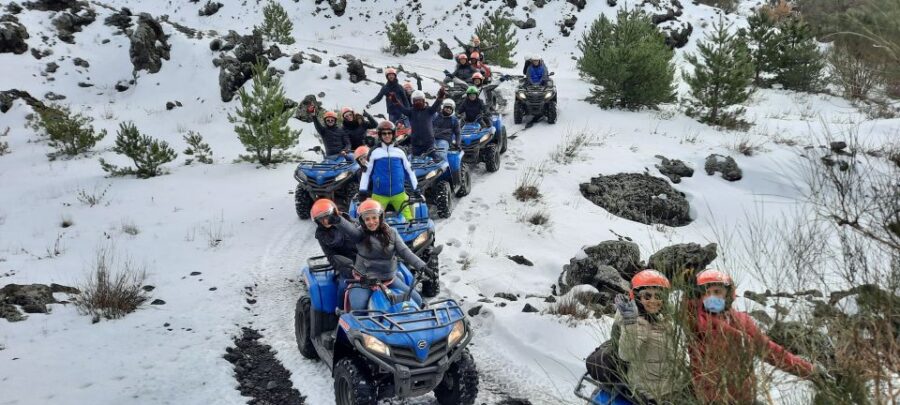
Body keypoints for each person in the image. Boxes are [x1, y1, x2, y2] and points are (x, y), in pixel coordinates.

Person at [687, 269, 819, 404]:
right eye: (706, 293)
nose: (711, 297)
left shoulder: (742, 321)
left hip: (745, 398)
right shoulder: (696, 320)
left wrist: (810, 371)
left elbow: (772, 351)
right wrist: (686, 287)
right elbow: (685, 309)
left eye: (717, 292)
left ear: (727, 294)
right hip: (712, 400)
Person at [333, 198, 428, 310]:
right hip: (364, 281)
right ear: (362, 221)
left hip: (388, 279)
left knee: (417, 299)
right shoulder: (359, 234)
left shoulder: (392, 233)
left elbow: (405, 252)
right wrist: (338, 220)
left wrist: (422, 266)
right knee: (358, 307)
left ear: (380, 217)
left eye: (374, 217)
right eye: (367, 219)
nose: (371, 222)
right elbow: (350, 230)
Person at [614, 270, 690, 404]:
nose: (653, 301)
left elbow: (679, 359)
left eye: (658, 296)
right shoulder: (632, 322)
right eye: (647, 296)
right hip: (648, 394)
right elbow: (626, 354)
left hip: (673, 391)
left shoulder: (665, 321)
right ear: (637, 298)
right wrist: (630, 323)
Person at [358, 121, 421, 221]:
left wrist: (416, 188)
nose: (387, 136)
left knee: (409, 221)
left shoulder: (400, 151)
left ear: (393, 134)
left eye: (389, 133)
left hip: (399, 194)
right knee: (375, 222)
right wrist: (362, 191)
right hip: (379, 195)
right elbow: (366, 172)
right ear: (380, 135)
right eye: (384, 133)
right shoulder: (374, 152)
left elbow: (410, 171)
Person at [390, 88, 447, 158]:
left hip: (429, 143)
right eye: (416, 100)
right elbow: (402, 109)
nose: (418, 102)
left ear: (424, 100)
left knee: (435, 159)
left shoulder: (429, 110)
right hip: (416, 144)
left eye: (420, 100)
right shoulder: (411, 112)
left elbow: (436, 104)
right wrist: (395, 101)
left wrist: (441, 96)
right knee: (415, 162)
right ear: (412, 102)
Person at [311, 199, 357, 279]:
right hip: (347, 265)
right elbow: (331, 256)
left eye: (327, 216)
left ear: (333, 214)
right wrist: (347, 271)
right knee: (344, 288)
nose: (325, 221)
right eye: (320, 218)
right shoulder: (322, 235)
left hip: (364, 260)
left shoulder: (347, 221)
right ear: (317, 221)